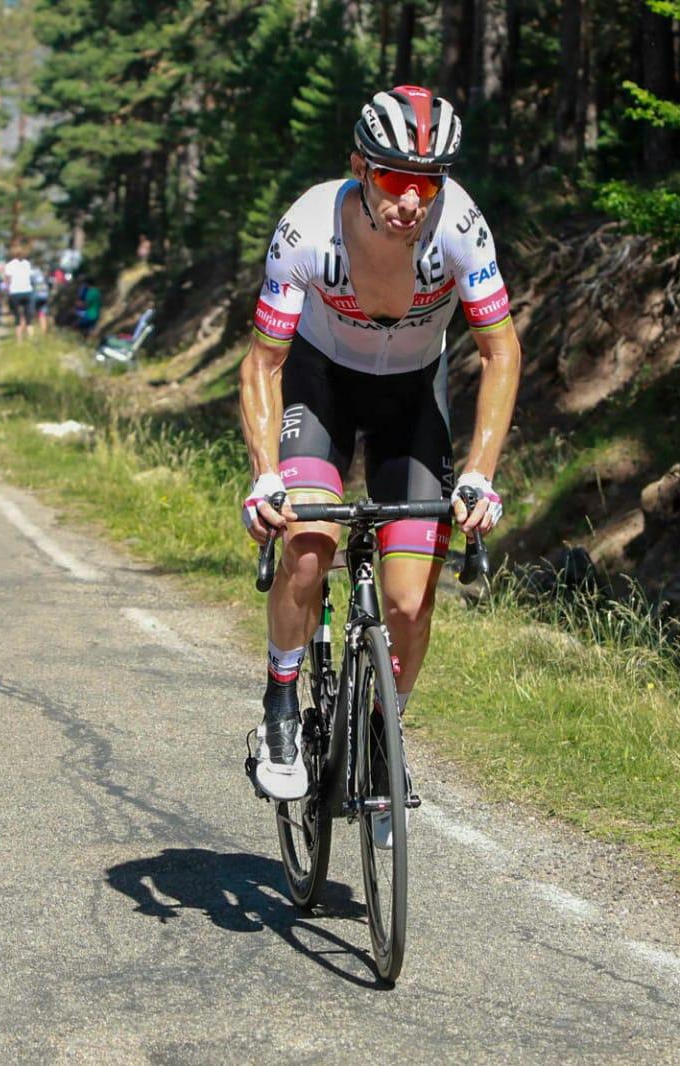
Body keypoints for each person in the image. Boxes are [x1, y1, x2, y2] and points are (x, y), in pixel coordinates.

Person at [238, 86, 519, 829]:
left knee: (407, 600)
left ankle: (384, 732)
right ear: (360, 168)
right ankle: (280, 699)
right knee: (306, 546)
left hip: (410, 401)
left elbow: (501, 353)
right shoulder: (306, 230)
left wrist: (481, 472)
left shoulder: (461, 229)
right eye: (395, 179)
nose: (411, 201)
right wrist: (265, 474)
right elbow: (263, 364)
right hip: (320, 385)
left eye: (427, 183)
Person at [2, 242, 38, 342]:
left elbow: (7, 280)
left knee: (17, 317)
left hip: (15, 292)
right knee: (28, 318)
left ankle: (19, 341)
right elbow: (31, 277)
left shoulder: (9, 265)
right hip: (27, 291)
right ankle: (30, 339)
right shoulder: (27, 264)